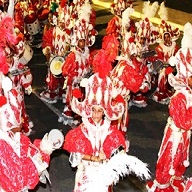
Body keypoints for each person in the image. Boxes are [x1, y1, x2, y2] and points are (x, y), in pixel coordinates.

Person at [64, 48, 150, 192]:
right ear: (88, 110)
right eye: (93, 110)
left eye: (100, 111)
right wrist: (94, 158)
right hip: (86, 177)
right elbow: (75, 157)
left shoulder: (110, 130)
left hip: (103, 178)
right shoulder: (82, 131)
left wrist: (115, 159)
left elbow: (117, 152)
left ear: (105, 112)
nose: (96, 115)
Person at [147, 23, 192, 192]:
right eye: (190, 77)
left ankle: (176, 178)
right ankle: (163, 184)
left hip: (185, 134)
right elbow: (181, 119)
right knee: (169, 157)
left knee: (181, 157)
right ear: (183, 77)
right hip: (175, 133)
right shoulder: (178, 96)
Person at [0, 93, 63, 191]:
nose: (22, 120)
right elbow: (17, 181)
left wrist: (42, 148)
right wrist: (40, 160)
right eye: (18, 117)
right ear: (9, 123)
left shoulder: (12, 135)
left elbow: (26, 152)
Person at [60, 15, 96, 125]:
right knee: (73, 99)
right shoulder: (73, 55)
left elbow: (90, 65)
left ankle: (79, 115)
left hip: (84, 82)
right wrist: (72, 77)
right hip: (75, 82)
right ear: (77, 42)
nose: (82, 43)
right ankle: (70, 112)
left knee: (82, 99)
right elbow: (64, 70)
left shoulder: (87, 53)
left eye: (84, 41)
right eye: (80, 41)